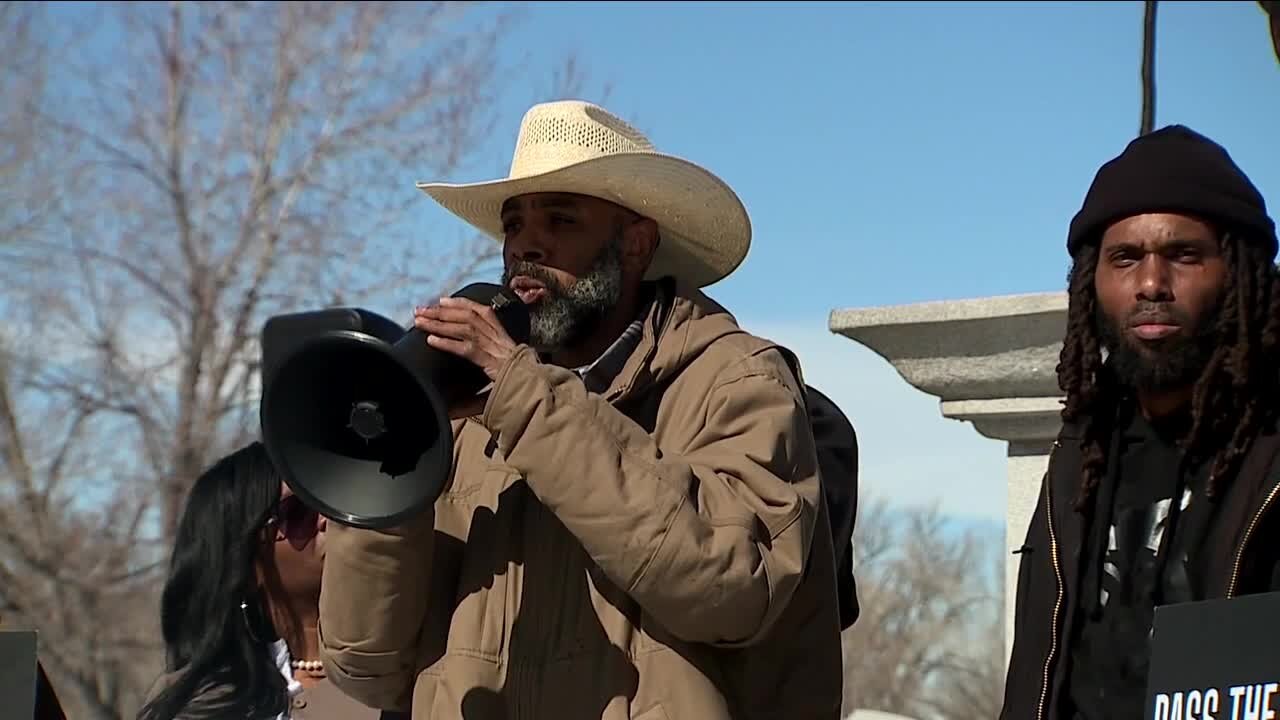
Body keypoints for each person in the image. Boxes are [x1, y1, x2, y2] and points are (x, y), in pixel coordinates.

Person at [315, 100, 844, 719]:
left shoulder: (737, 379)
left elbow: (730, 588)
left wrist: (523, 396)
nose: (525, 245)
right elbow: (368, 670)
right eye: (513, 225)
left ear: (637, 243)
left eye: (561, 220)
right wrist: (392, 472)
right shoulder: (469, 417)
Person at [1001, 125, 1280, 720]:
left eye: (1184, 255)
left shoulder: (1269, 454)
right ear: (1091, 283)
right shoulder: (1082, 451)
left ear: (1237, 271)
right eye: (1125, 259)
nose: (1152, 284)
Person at [138, 442, 406, 720]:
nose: (330, 520)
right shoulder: (193, 707)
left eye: (333, 500)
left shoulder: (419, 664)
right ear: (243, 566)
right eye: (300, 512)